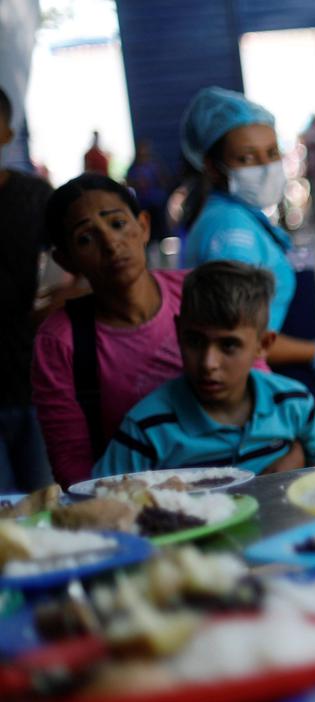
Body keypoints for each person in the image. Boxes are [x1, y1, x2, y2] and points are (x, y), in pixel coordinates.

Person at [180, 86, 315, 413]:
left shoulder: (240, 216)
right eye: (247, 158)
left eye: (271, 153)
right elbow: (236, 336)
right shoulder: (232, 233)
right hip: (263, 392)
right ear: (212, 165)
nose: (265, 167)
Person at [93, 261, 315, 477]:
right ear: (178, 331)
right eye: (195, 341)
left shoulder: (296, 405)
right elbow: (100, 506)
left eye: (228, 345)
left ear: (263, 345)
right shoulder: (146, 430)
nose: (208, 363)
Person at [32, 175, 188, 486]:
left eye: (117, 224)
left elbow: (256, 389)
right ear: (66, 260)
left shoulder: (195, 293)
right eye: (85, 239)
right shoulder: (61, 342)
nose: (110, 243)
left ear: (143, 226)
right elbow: (72, 465)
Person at [0, 87, 54, 493]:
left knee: (43, 503)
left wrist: (58, 299)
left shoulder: (35, 197)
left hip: (35, 377)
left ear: (7, 131)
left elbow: (76, 263)